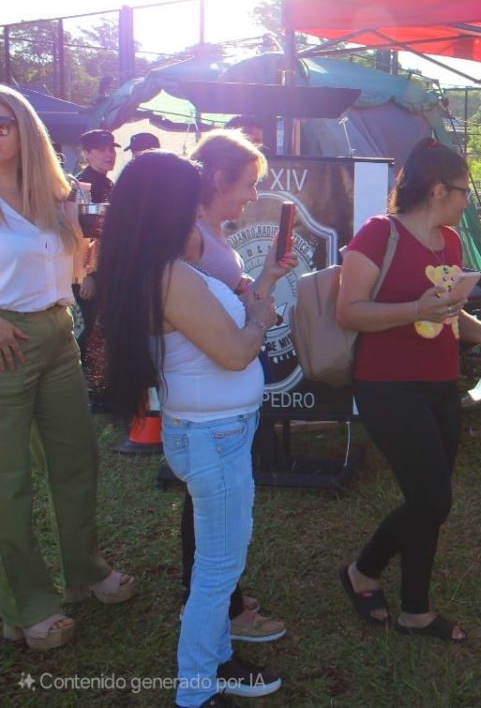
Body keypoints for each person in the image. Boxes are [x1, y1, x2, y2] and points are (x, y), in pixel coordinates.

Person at [97, 151, 281, 707]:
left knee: (219, 560)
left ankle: (218, 659)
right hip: (214, 436)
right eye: (189, 198)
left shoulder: (149, 269)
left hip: (209, 431)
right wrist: (261, 319)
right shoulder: (172, 275)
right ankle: (196, 688)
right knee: (218, 570)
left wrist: (263, 284)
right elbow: (234, 351)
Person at [336, 138, 481, 642]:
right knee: (432, 497)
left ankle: (414, 608)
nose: (467, 202)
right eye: (464, 192)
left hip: (440, 382)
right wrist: (413, 311)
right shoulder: (377, 235)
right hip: (387, 385)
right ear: (438, 189)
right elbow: (348, 310)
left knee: (430, 499)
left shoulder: (452, 243)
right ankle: (362, 571)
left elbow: (449, 312)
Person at [0, 85, 133, 652]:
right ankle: (26, 601)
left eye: (2, 123)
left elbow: (76, 266)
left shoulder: (52, 191)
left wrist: (84, 240)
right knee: (8, 481)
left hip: (57, 330)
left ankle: (83, 570)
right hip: (6, 338)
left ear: (25, 128)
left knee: (76, 458)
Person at [180, 130, 296, 644]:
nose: (253, 196)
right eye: (248, 185)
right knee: (211, 515)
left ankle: (220, 599)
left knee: (214, 511)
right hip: (206, 406)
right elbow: (211, 324)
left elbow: (239, 305)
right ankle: (219, 612)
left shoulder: (213, 231)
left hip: (222, 404)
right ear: (218, 179)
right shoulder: (189, 236)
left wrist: (266, 277)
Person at [73, 128, 120, 372]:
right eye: (102, 149)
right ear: (87, 153)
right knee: (94, 329)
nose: (109, 154)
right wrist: (86, 274)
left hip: (109, 271)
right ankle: (88, 381)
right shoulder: (80, 186)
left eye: (112, 148)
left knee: (106, 327)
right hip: (90, 274)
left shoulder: (109, 183)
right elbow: (78, 234)